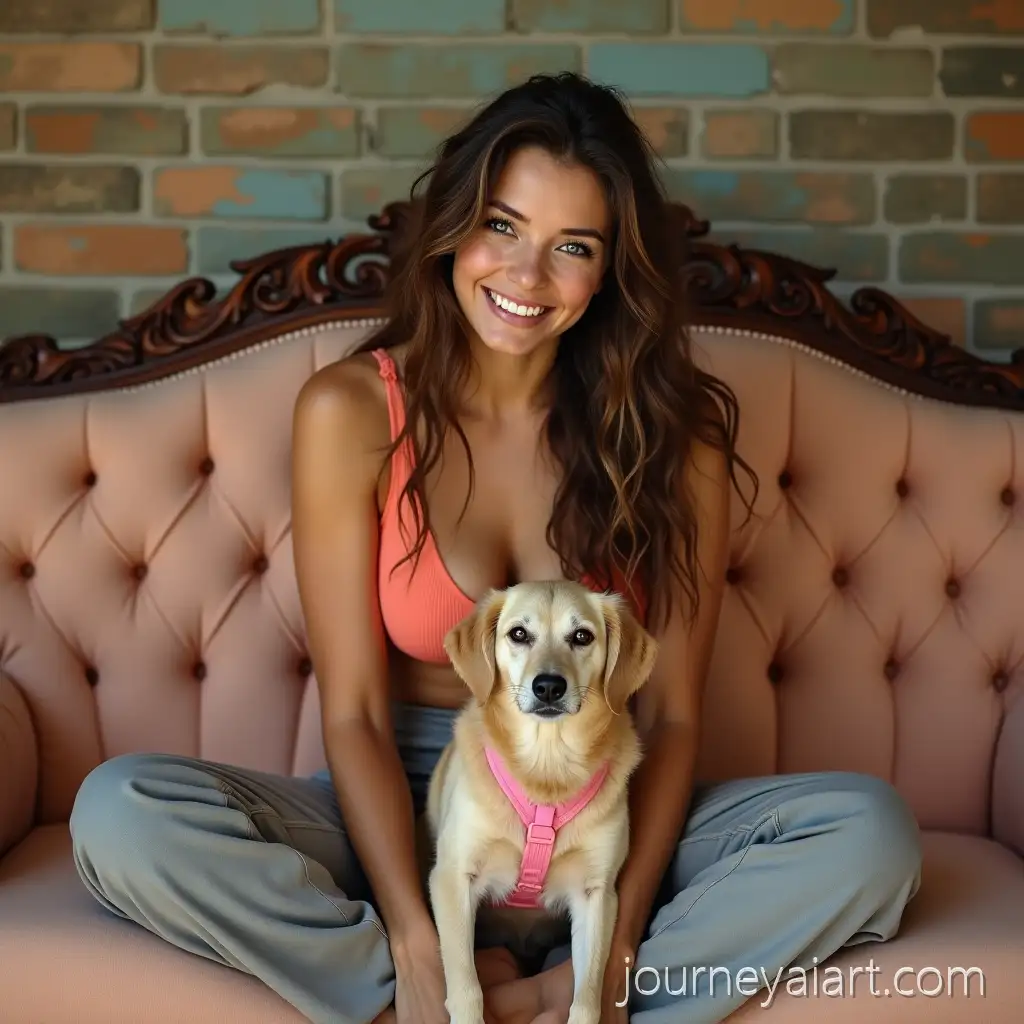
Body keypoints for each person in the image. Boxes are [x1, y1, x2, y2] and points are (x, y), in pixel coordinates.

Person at [68, 72, 922, 1024]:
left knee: (869, 835)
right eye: (503, 228)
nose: (526, 277)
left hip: (604, 801)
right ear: (452, 227)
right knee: (121, 812)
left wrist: (620, 941)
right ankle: (407, 993)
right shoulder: (353, 412)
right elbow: (351, 712)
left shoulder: (673, 442)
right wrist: (414, 940)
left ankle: (556, 1001)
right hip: (415, 796)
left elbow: (675, 717)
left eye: (573, 248)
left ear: (608, 274)